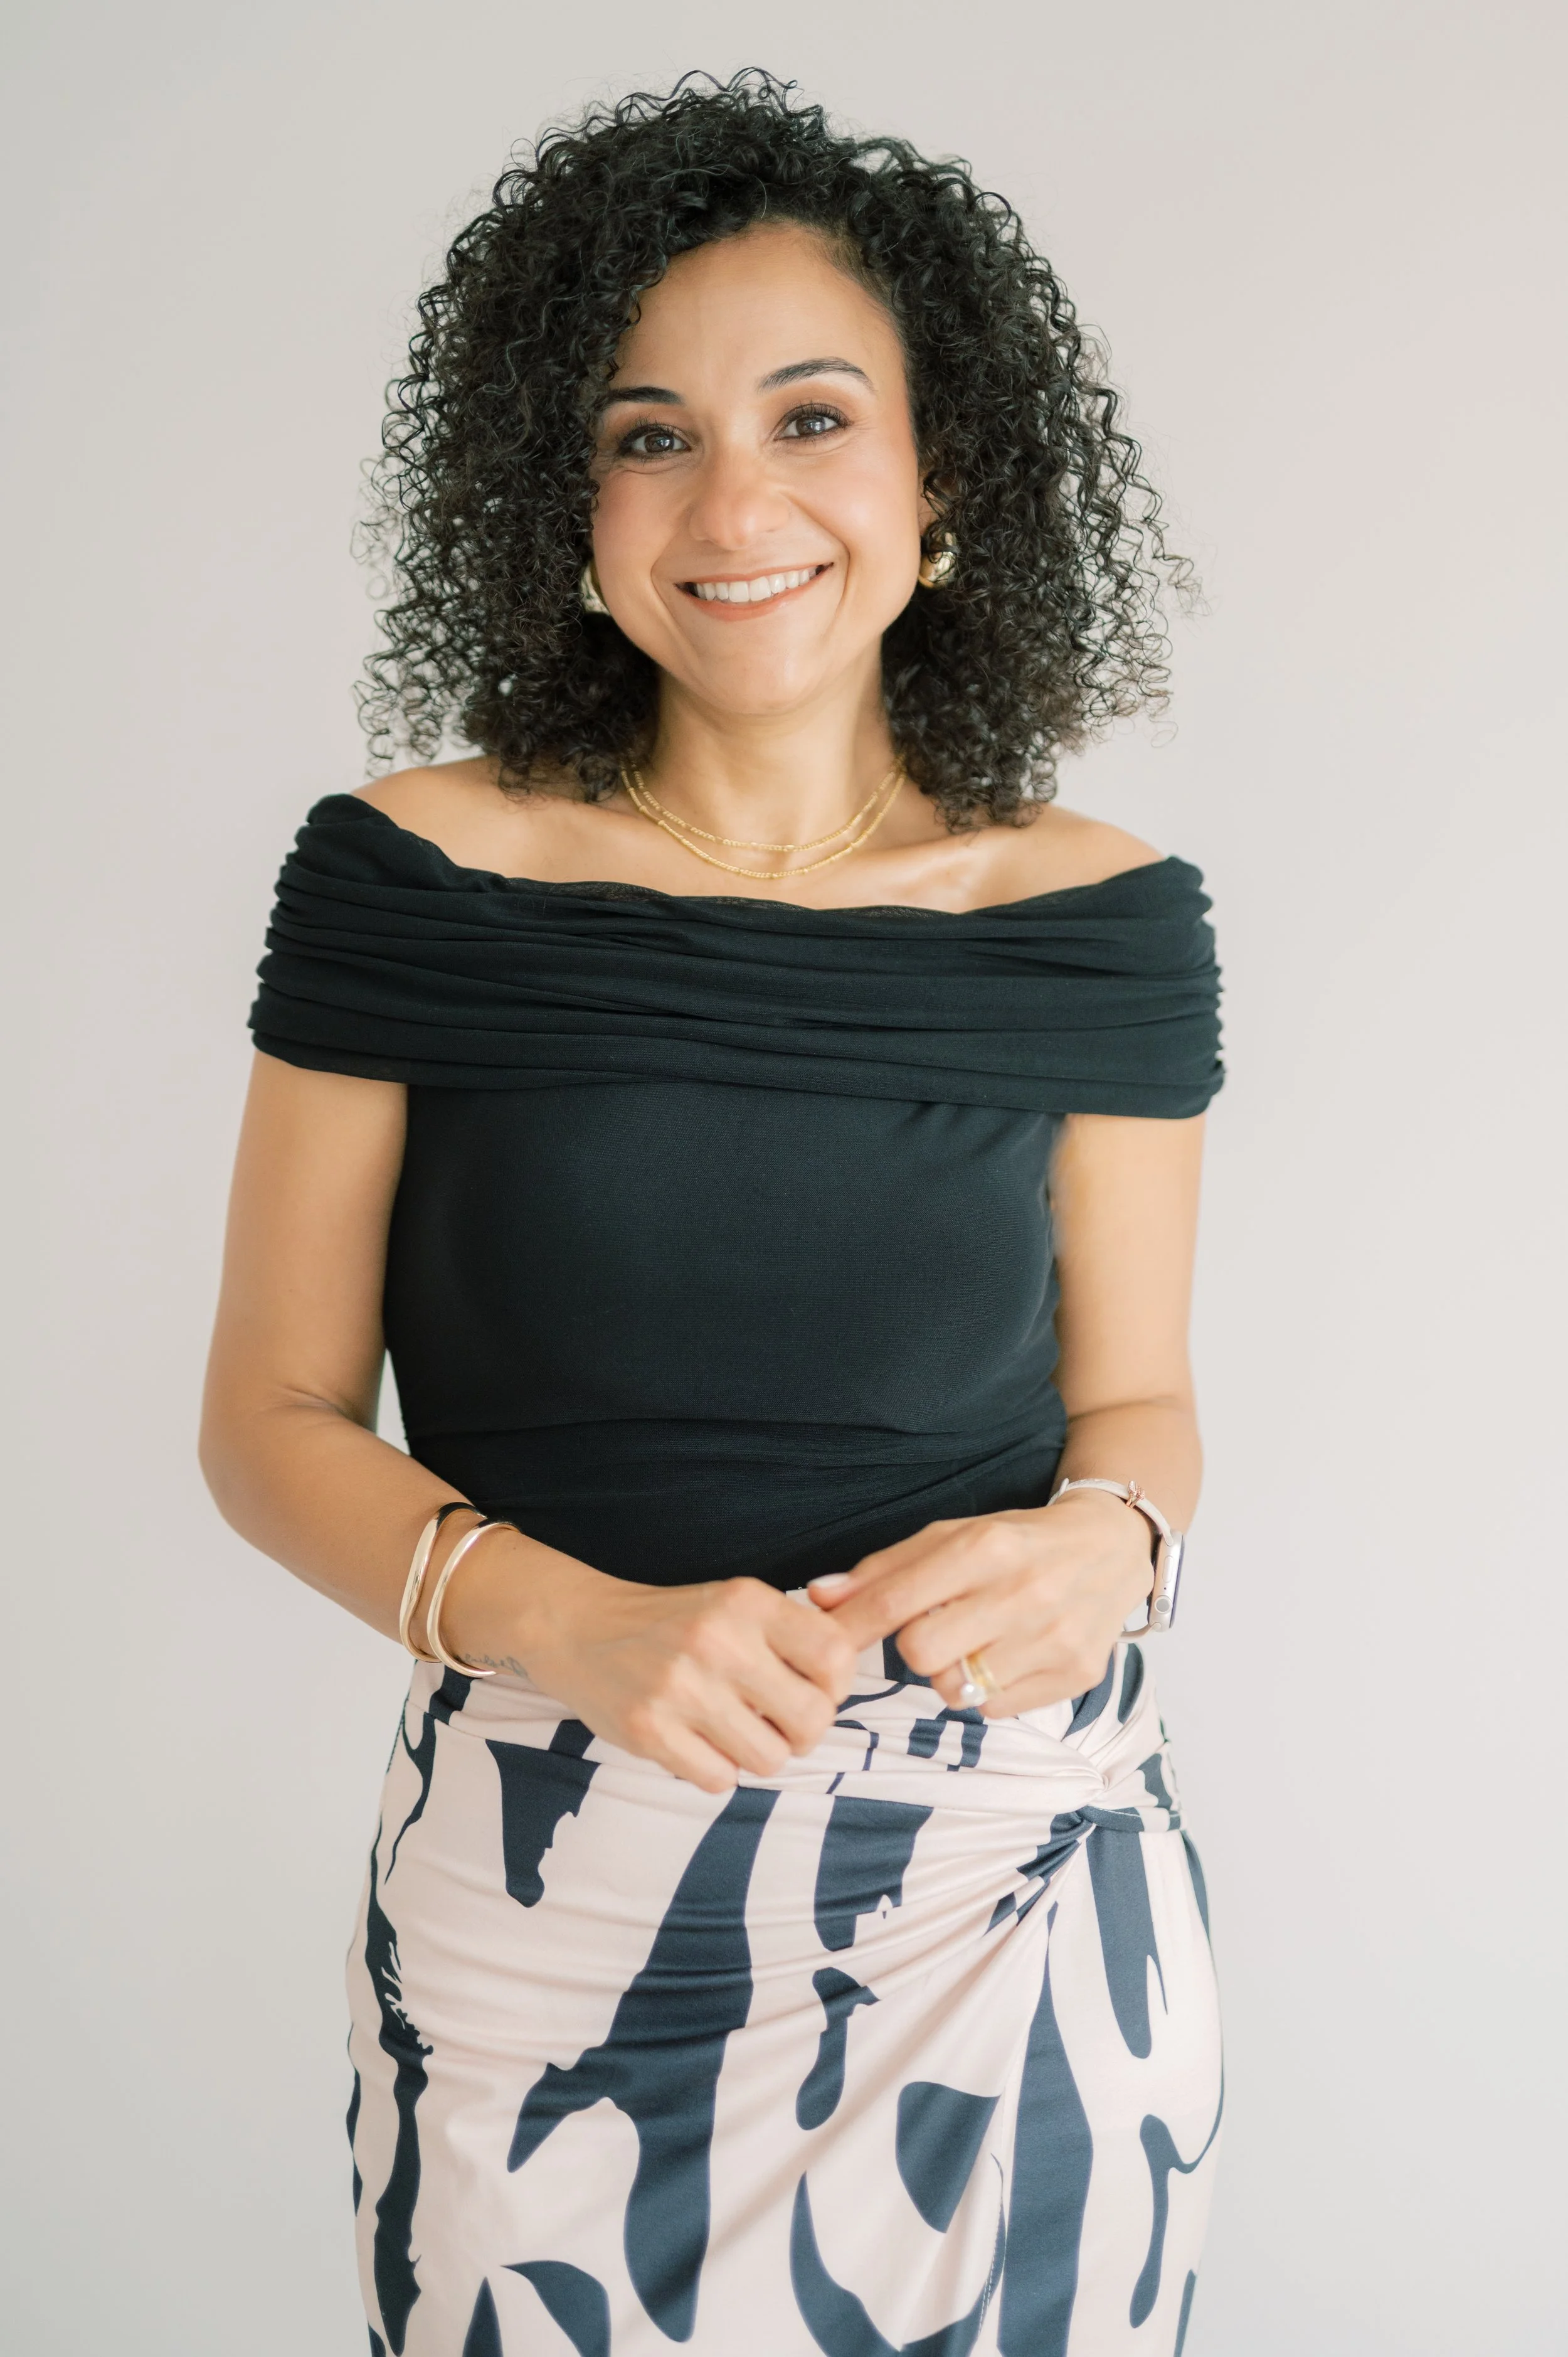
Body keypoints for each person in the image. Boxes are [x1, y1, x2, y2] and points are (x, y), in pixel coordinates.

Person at [201, 72, 1224, 2357]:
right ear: (558, 501)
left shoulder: (1099, 920)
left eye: (810, 415)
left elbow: (1138, 1399)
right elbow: (269, 1413)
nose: (732, 499)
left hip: (1011, 1894)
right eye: (647, 430)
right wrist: (562, 1622)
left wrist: (1115, 1543)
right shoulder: (412, 877)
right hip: (543, 1903)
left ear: (940, 478)